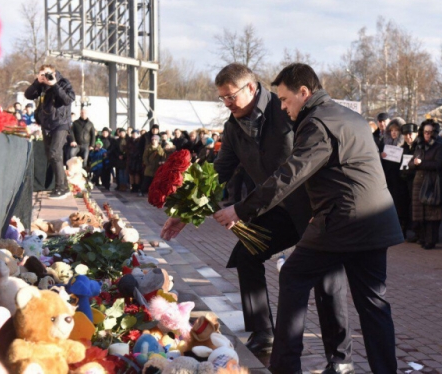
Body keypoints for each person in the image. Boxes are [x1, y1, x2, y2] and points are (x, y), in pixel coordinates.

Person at [161, 64, 353, 372]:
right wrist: (184, 213)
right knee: (247, 253)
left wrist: (241, 209)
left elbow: (295, 169)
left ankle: (341, 359)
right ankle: (263, 332)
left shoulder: (286, 111)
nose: (226, 103)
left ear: (251, 88)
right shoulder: (234, 127)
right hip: (276, 209)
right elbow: (218, 173)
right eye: (221, 98)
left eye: (230, 96)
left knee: (328, 280)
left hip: (313, 208)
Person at [212, 63, 403, 374]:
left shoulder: (316, 122)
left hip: (337, 218)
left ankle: (294, 365)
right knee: (373, 304)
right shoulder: (347, 116)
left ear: (304, 92)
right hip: (374, 221)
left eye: (286, 100)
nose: (283, 106)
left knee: (297, 276)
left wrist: (240, 209)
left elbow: (289, 175)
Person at [24, 64, 75, 199]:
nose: (45, 77)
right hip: (46, 125)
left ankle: (60, 188)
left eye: (47, 74)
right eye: (42, 74)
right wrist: (37, 82)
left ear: (53, 72)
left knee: (54, 152)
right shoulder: (41, 86)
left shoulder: (63, 82)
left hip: (61, 123)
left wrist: (54, 84)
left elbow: (68, 99)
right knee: (51, 155)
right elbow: (28, 95)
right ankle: (64, 186)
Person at [409, 119, 442, 249]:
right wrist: (414, 163)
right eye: (425, 132)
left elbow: (438, 164)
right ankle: (423, 238)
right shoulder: (419, 146)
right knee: (421, 214)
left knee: (432, 213)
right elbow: (411, 163)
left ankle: (431, 240)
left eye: (430, 132)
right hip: (419, 182)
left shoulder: (439, 147)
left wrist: (421, 163)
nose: (427, 134)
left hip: (432, 182)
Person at [381, 117, 408, 233]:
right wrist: (381, 156)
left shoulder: (404, 146)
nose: (393, 133)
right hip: (388, 179)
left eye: (396, 130)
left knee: (400, 203)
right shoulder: (384, 144)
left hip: (401, 180)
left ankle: (402, 226)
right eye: (391, 130)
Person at [401, 123, 419, 241]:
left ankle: (417, 232)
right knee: (405, 206)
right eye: (406, 134)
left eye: (411, 134)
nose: (409, 136)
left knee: (415, 206)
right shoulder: (402, 148)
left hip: (416, 180)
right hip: (404, 181)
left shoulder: (419, 147)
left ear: (416, 134)